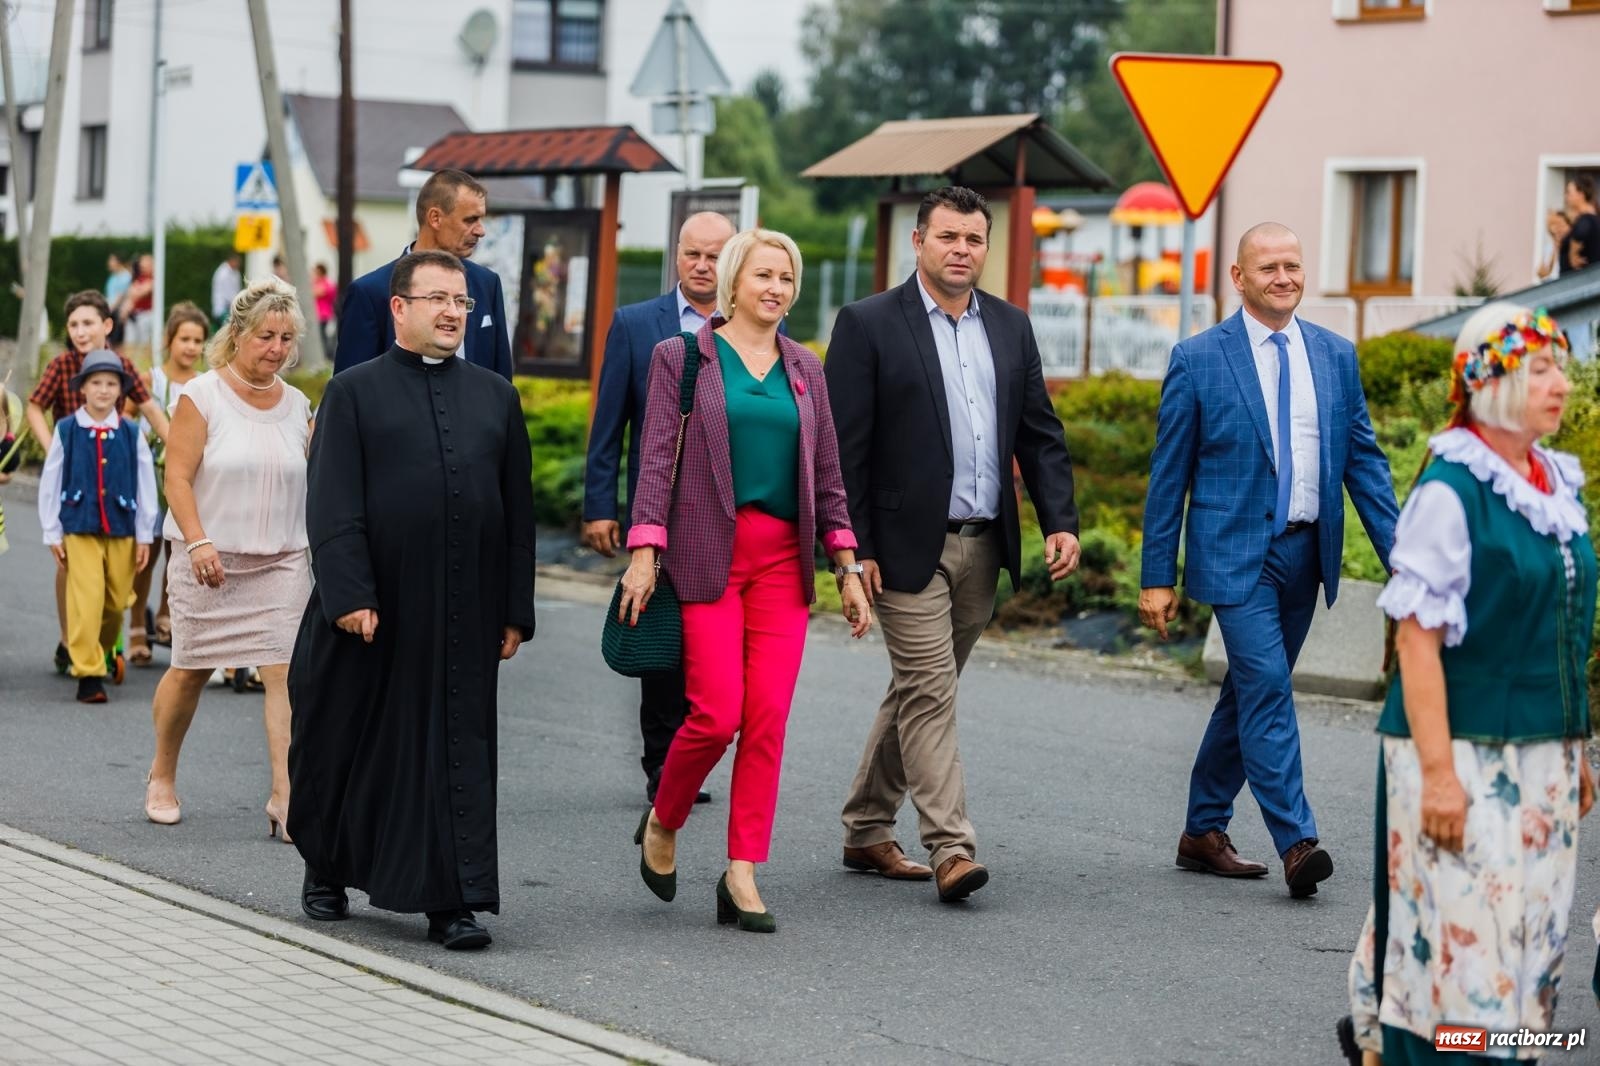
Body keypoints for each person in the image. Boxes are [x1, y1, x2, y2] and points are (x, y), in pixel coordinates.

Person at [1341, 304, 1594, 1065]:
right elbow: (1416, 643)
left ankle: (1398, 1032)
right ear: (1493, 384)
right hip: (1461, 749)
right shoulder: (1451, 491)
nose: (1561, 384)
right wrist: (1440, 777)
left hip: (1544, 754)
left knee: (1532, 937)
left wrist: (1576, 747)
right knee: (1465, 951)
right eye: (1539, 370)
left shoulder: (1554, 483)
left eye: (1560, 368)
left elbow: (1561, 629)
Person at [825, 186, 1081, 903]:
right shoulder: (869, 324)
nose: (961, 250)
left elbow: (1040, 433)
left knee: (920, 690)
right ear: (918, 242)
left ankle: (866, 827)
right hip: (901, 549)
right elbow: (843, 449)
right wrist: (852, 551)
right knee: (931, 692)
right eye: (948, 237)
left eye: (973, 239)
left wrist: (1060, 521)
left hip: (984, 545)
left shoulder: (1010, 325)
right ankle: (951, 847)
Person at [1139, 222, 1399, 898]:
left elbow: (1365, 465)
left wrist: (1406, 561)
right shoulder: (1199, 359)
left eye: (1292, 265)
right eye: (1268, 267)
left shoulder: (1335, 356)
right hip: (1235, 557)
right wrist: (1157, 575)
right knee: (1269, 689)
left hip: (1306, 553)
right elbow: (1169, 476)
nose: (1283, 277)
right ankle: (1297, 841)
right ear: (1239, 277)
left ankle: (1202, 830)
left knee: (1250, 692)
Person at [622, 228, 870, 933]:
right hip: (708, 555)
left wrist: (846, 566)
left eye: (786, 278)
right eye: (763, 275)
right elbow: (656, 456)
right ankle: (664, 818)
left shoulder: (806, 367)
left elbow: (828, 475)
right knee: (716, 714)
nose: (776, 288)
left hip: (782, 563)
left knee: (766, 720)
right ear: (733, 281)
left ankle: (742, 872)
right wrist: (644, 548)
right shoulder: (682, 358)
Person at [287, 250, 535, 951]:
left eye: (462, 301)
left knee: (453, 751)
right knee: (343, 742)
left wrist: (514, 610)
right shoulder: (352, 392)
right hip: (373, 607)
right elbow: (331, 501)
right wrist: (349, 593)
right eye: (438, 299)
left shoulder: (496, 396)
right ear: (399, 308)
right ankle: (327, 865)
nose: (453, 312)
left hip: (462, 610)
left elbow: (517, 513)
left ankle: (451, 900)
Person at [142, 279, 314, 833]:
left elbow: (319, 480)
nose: (277, 348)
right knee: (190, 670)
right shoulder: (202, 395)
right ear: (237, 333)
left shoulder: (299, 406)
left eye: (286, 338)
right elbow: (177, 477)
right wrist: (197, 541)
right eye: (266, 336)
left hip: (282, 562)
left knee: (283, 673)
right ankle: (162, 773)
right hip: (208, 561)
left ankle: (285, 797)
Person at [583, 210, 736, 805]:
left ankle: (690, 754)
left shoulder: (746, 325)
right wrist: (601, 506)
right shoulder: (635, 324)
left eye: (714, 256)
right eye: (692, 253)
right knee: (664, 644)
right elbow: (609, 425)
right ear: (677, 253)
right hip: (660, 511)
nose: (701, 266)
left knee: (711, 644)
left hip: (726, 514)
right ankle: (662, 767)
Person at [27, 291, 170, 673]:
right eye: (73, 325)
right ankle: (70, 639)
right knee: (71, 566)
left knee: (113, 579)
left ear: (107, 325)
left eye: (88, 323)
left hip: (115, 480)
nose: (80, 331)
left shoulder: (121, 367)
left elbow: (150, 408)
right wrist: (53, 447)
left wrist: (178, 448)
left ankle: (100, 640)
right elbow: (35, 406)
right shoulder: (61, 366)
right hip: (74, 478)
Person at [36, 351, 158, 703]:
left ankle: (101, 651)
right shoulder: (67, 430)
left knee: (116, 601)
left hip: (122, 527)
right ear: (83, 388)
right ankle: (88, 674)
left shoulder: (131, 432)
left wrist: (144, 534)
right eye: (96, 383)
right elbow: (51, 481)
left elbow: (145, 484)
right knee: (86, 599)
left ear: (120, 390)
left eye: (111, 384)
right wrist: (52, 531)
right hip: (79, 526)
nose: (103, 390)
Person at [334, 169, 512, 380]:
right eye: (470, 220)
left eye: (481, 219)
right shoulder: (370, 292)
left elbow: (501, 384)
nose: (481, 231)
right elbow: (349, 388)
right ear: (435, 218)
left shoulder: (487, 283)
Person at [127, 303, 209, 661]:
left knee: (177, 552)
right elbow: (126, 418)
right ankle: (135, 625)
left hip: (186, 480)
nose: (191, 347)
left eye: (197, 341)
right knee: (146, 553)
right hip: (150, 478)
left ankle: (165, 613)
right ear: (169, 340)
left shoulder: (204, 384)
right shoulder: (152, 381)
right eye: (184, 339)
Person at [1563, 175, 1600, 274]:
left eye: (1569, 193)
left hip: (1579, 280)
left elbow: (1581, 232)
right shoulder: (1591, 218)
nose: (1566, 197)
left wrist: (1572, 253)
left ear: (1581, 194)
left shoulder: (1586, 219)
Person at [120, 254, 155, 345]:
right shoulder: (138, 278)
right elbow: (130, 294)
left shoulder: (154, 279)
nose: (142, 267)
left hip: (146, 314)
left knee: (144, 343)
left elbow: (140, 293)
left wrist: (136, 290)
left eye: (145, 265)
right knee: (130, 342)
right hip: (134, 314)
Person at [104, 253, 132, 347]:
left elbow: (120, 297)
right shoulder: (112, 277)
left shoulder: (126, 277)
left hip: (118, 314)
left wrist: (107, 310)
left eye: (111, 260)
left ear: (118, 262)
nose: (109, 263)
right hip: (110, 311)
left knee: (116, 343)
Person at [1536, 209, 1570, 282]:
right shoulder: (1549, 247)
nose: (1558, 229)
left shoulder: (1573, 244)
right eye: (1554, 225)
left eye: (1561, 225)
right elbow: (1541, 273)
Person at [312, 262, 336, 355]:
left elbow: (315, 293)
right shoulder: (318, 283)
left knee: (322, 337)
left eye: (316, 272)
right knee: (321, 336)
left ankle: (327, 354)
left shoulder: (326, 284)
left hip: (323, 315)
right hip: (318, 315)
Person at [211, 253, 242, 320]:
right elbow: (228, 294)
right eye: (237, 262)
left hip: (230, 308)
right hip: (222, 309)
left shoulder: (236, 272)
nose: (238, 265)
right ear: (232, 261)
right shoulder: (223, 273)